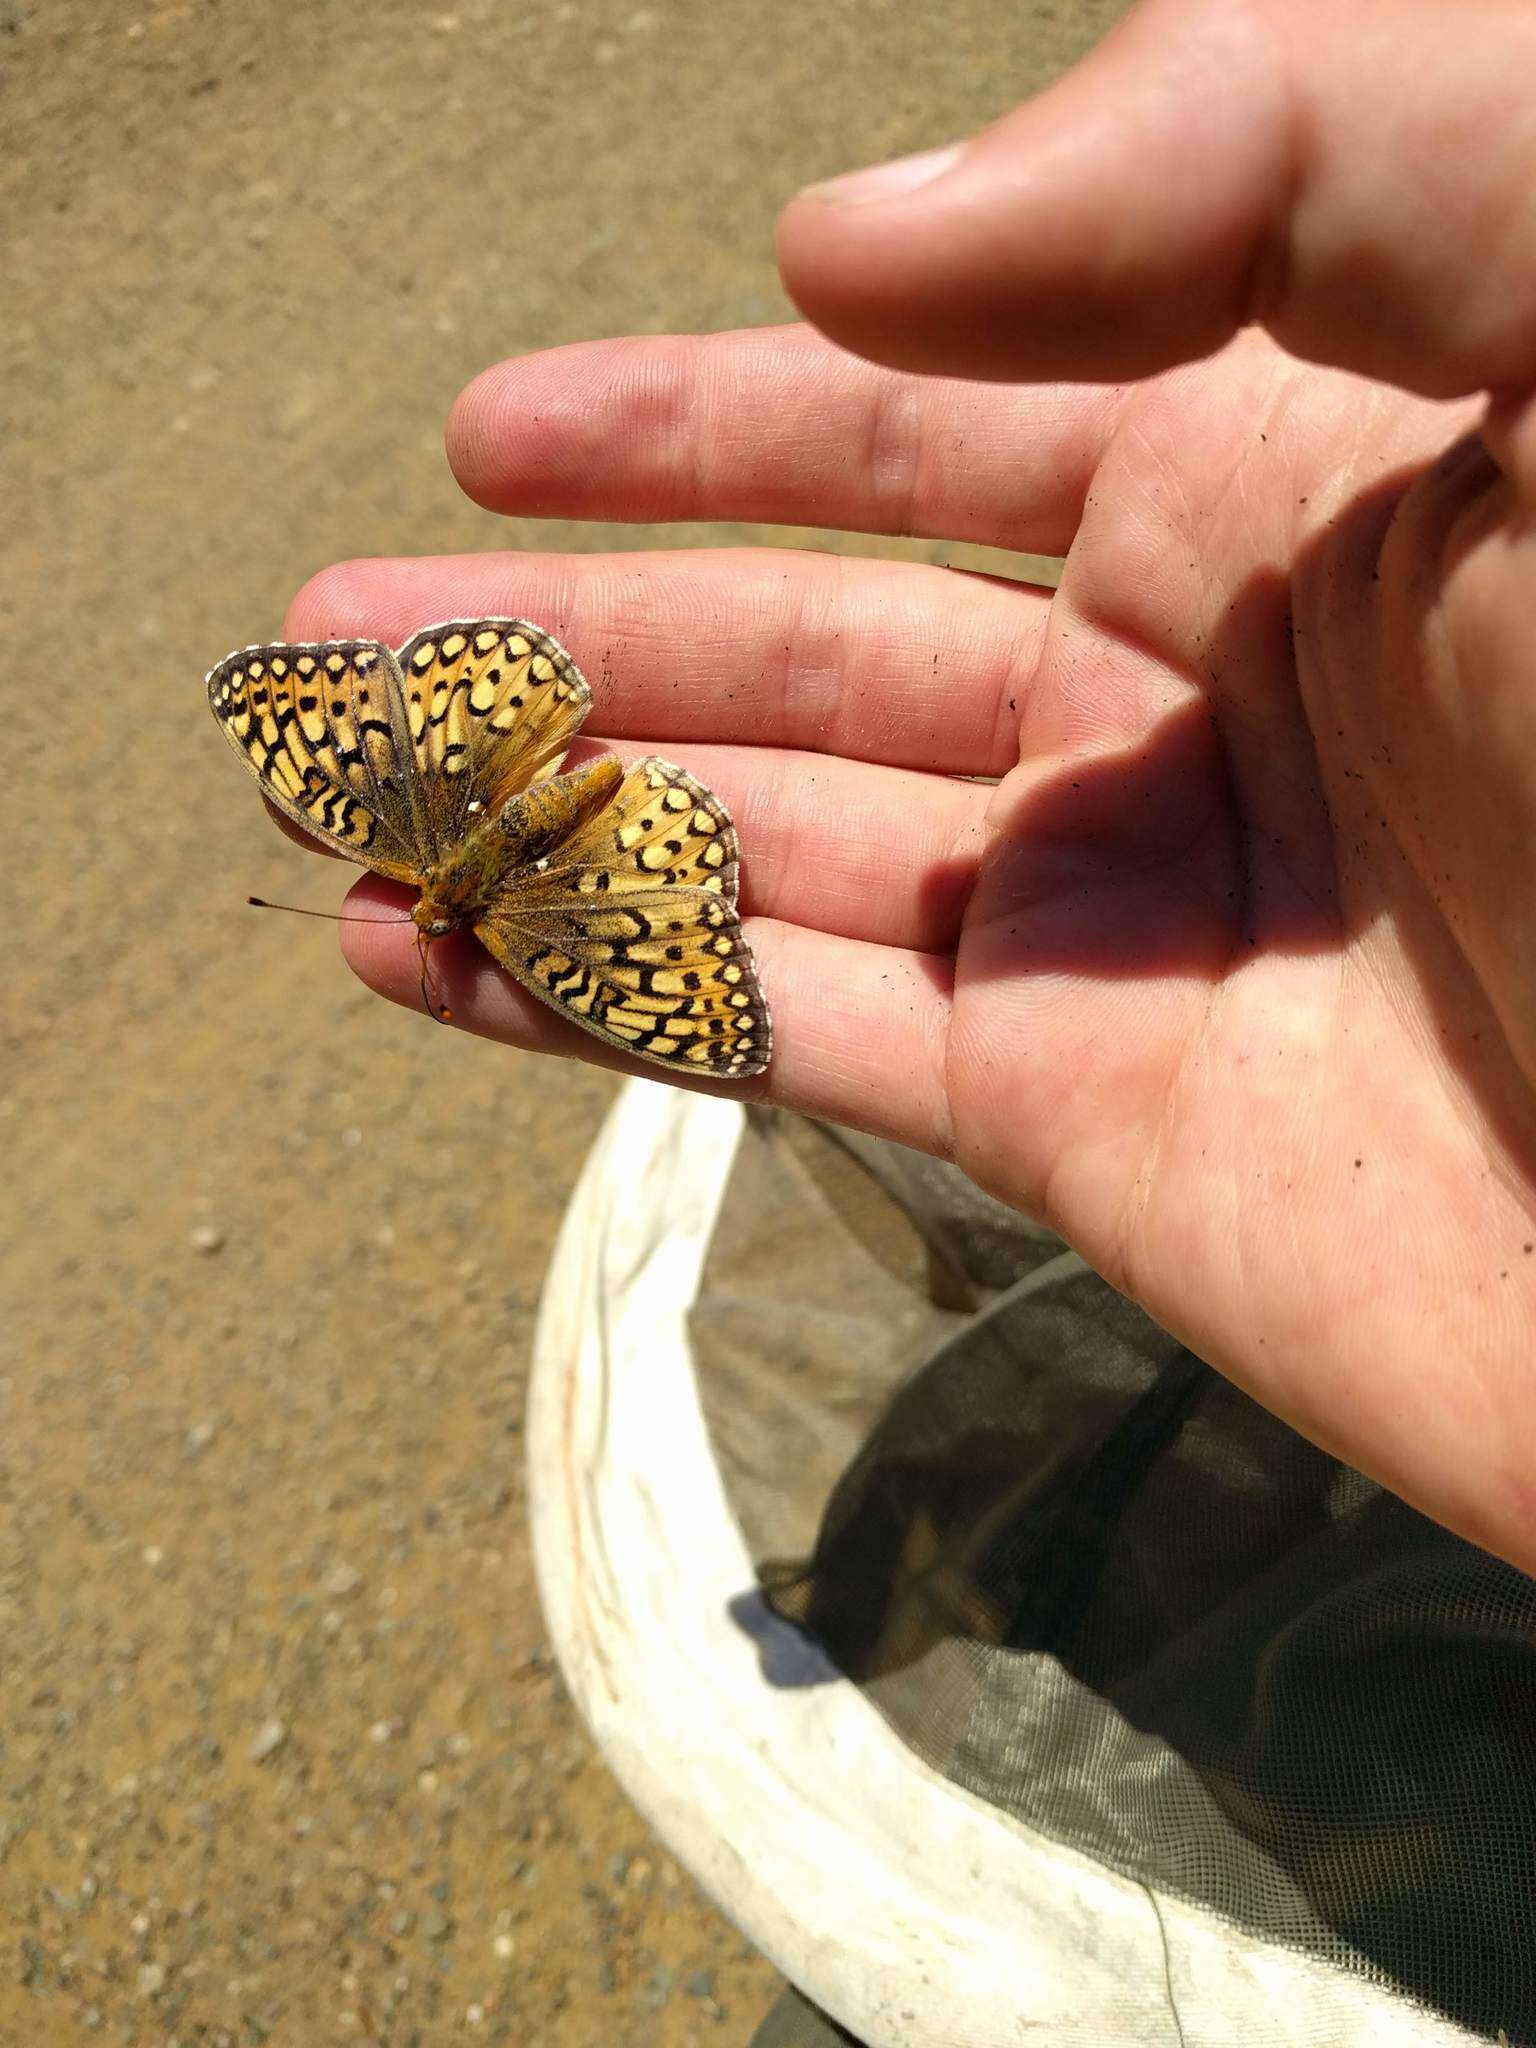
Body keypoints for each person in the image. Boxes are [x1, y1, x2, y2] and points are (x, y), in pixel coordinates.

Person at [282, 0, 1536, 1583]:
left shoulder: (454, 871)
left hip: (550, 826)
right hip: (571, 832)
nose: (437, 919)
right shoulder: (491, 902)